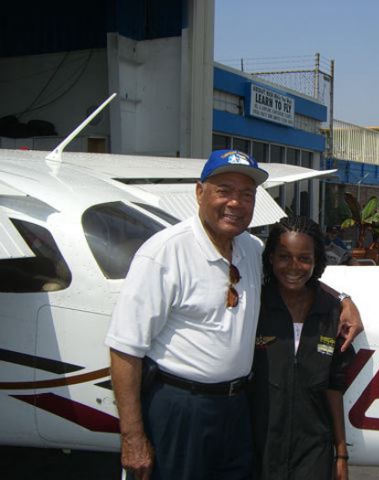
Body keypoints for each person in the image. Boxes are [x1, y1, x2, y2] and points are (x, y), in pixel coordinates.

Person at [105, 150, 363, 480]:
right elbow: (125, 348)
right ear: (200, 192)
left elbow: (295, 277)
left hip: (238, 408)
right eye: (224, 190)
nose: (236, 203)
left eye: (246, 194)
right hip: (182, 407)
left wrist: (343, 299)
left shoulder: (252, 250)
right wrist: (133, 438)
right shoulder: (164, 253)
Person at [251, 216, 354, 480]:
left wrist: (340, 453)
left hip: (313, 452)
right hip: (257, 447)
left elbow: (333, 387)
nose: (294, 267)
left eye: (304, 258)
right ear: (271, 257)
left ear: (317, 260)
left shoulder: (332, 313)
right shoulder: (254, 308)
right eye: (284, 256)